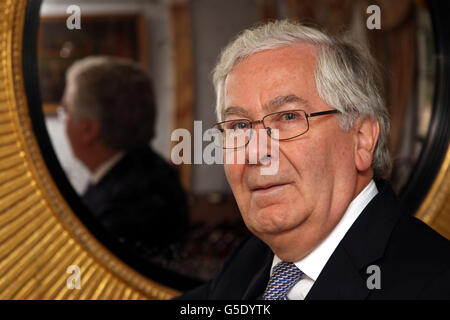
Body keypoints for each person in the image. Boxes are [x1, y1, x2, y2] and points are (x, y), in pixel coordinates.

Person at [177, 20, 450, 300]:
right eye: (239, 127)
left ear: (362, 138)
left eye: (289, 117)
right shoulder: (253, 258)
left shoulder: (436, 285)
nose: (256, 153)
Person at [62, 56, 189, 252]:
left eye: (66, 111)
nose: (65, 121)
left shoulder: (124, 207)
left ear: (89, 130)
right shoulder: (144, 169)